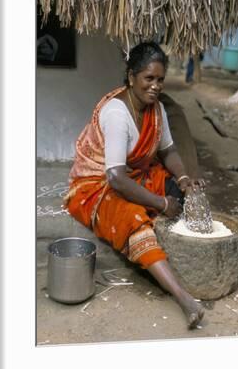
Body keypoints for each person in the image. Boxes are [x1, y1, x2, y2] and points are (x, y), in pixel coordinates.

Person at [64, 42, 205, 328]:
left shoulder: (156, 110)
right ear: (131, 77)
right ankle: (183, 297)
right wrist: (161, 203)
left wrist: (183, 178)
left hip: (135, 174)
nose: (155, 86)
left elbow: (168, 151)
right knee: (134, 219)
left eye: (160, 80)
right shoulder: (118, 114)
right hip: (99, 184)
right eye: (148, 79)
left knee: (183, 191)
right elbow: (115, 177)